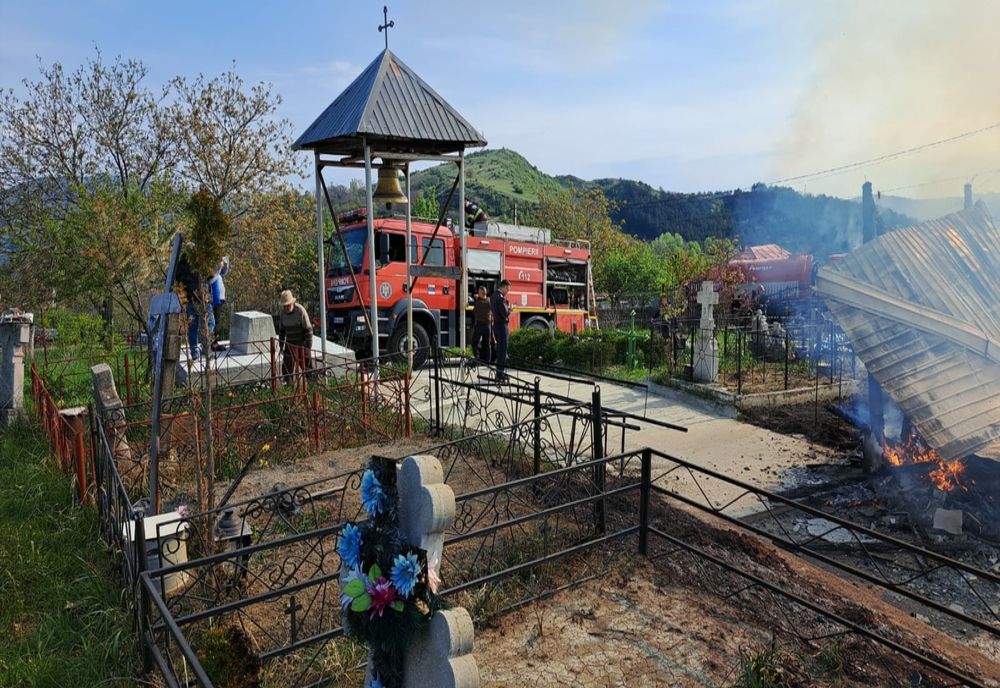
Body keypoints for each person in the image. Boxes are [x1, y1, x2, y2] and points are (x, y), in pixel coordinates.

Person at [175, 253, 214, 360]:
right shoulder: (198, 264)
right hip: (202, 298)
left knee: (193, 327)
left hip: (190, 299)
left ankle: (194, 353)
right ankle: (205, 345)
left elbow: (180, 281)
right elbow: (210, 276)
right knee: (210, 323)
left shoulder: (180, 267)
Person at [277, 289, 313, 380]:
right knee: (286, 368)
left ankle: (312, 385)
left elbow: (308, 330)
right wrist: (281, 346)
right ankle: (288, 387)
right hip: (290, 343)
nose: (287, 308)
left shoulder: (300, 311)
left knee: (307, 368)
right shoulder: (283, 314)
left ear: (292, 303)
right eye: (285, 306)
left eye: (288, 305)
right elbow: (281, 331)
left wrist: (307, 347)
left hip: (302, 342)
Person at [490, 280, 512, 382]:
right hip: (502, 326)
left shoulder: (493, 296)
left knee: (499, 350)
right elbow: (504, 313)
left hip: (496, 325)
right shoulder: (500, 298)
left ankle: (499, 373)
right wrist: (510, 310)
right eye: (507, 289)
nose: (507, 291)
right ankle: (500, 374)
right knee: (502, 351)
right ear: (503, 287)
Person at [207, 257, 229, 351]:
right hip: (214, 299)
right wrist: (218, 269)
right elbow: (210, 280)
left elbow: (224, 272)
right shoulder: (212, 273)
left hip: (220, 298)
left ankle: (215, 342)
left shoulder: (218, 273)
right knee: (214, 322)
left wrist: (226, 264)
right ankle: (213, 344)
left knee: (217, 322)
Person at [471, 286, 492, 363]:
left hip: (480, 325)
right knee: (487, 344)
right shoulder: (489, 301)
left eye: (478, 292)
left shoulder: (478, 302)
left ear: (482, 294)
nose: (477, 293)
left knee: (474, 342)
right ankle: (488, 361)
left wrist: (476, 298)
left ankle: (477, 357)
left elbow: (474, 310)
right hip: (488, 325)